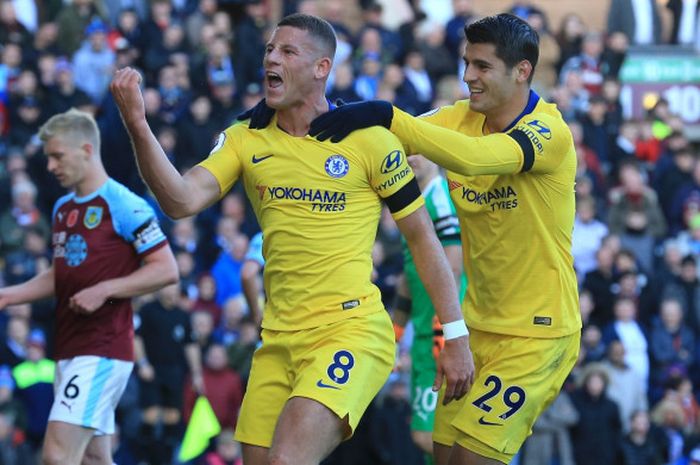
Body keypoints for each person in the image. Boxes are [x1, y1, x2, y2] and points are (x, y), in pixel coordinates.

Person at [110, 12, 473, 465]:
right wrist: (138, 125)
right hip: (277, 339)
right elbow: (180, 200)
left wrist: (454, 334)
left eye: (287, 51)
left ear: (322, 68)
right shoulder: (245, 138)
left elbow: (423, 240)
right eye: (268, 50)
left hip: (350, 331)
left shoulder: (370, 142)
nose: (271, 59)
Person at [248, 13, 582, 465]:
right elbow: (376, 140)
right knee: (440, 456)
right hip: (476, 326)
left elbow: (476, 158)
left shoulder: (549, 132)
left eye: (482, 66)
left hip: (537, 336)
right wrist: (286, 114)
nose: (468, 76)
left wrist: (387, 114)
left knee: (470, 460)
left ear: (521, 71)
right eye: (467, 63)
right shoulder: (457, 118)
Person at [0, 108, 179, 465]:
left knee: (56, 456)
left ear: (86, 149)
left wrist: (104, 289)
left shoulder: (125, 204)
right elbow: (62, 272)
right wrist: (8, 296)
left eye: (57, 156)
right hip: (69, 346)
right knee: (93, 459)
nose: (50, 166)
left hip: (103, 349)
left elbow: (166, 269)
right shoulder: (63, 209)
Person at [392, 153, 466, 462]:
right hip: (426, 334)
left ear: (434, 156)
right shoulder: (416, 204)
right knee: (437, 434)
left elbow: (454, 265)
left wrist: (443, 329)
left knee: (426, 434)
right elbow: (408, 279)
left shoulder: (439, 198)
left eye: (416, 151)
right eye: (404, 151)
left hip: (438, 335)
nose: (409, 159)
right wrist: (393, 336)